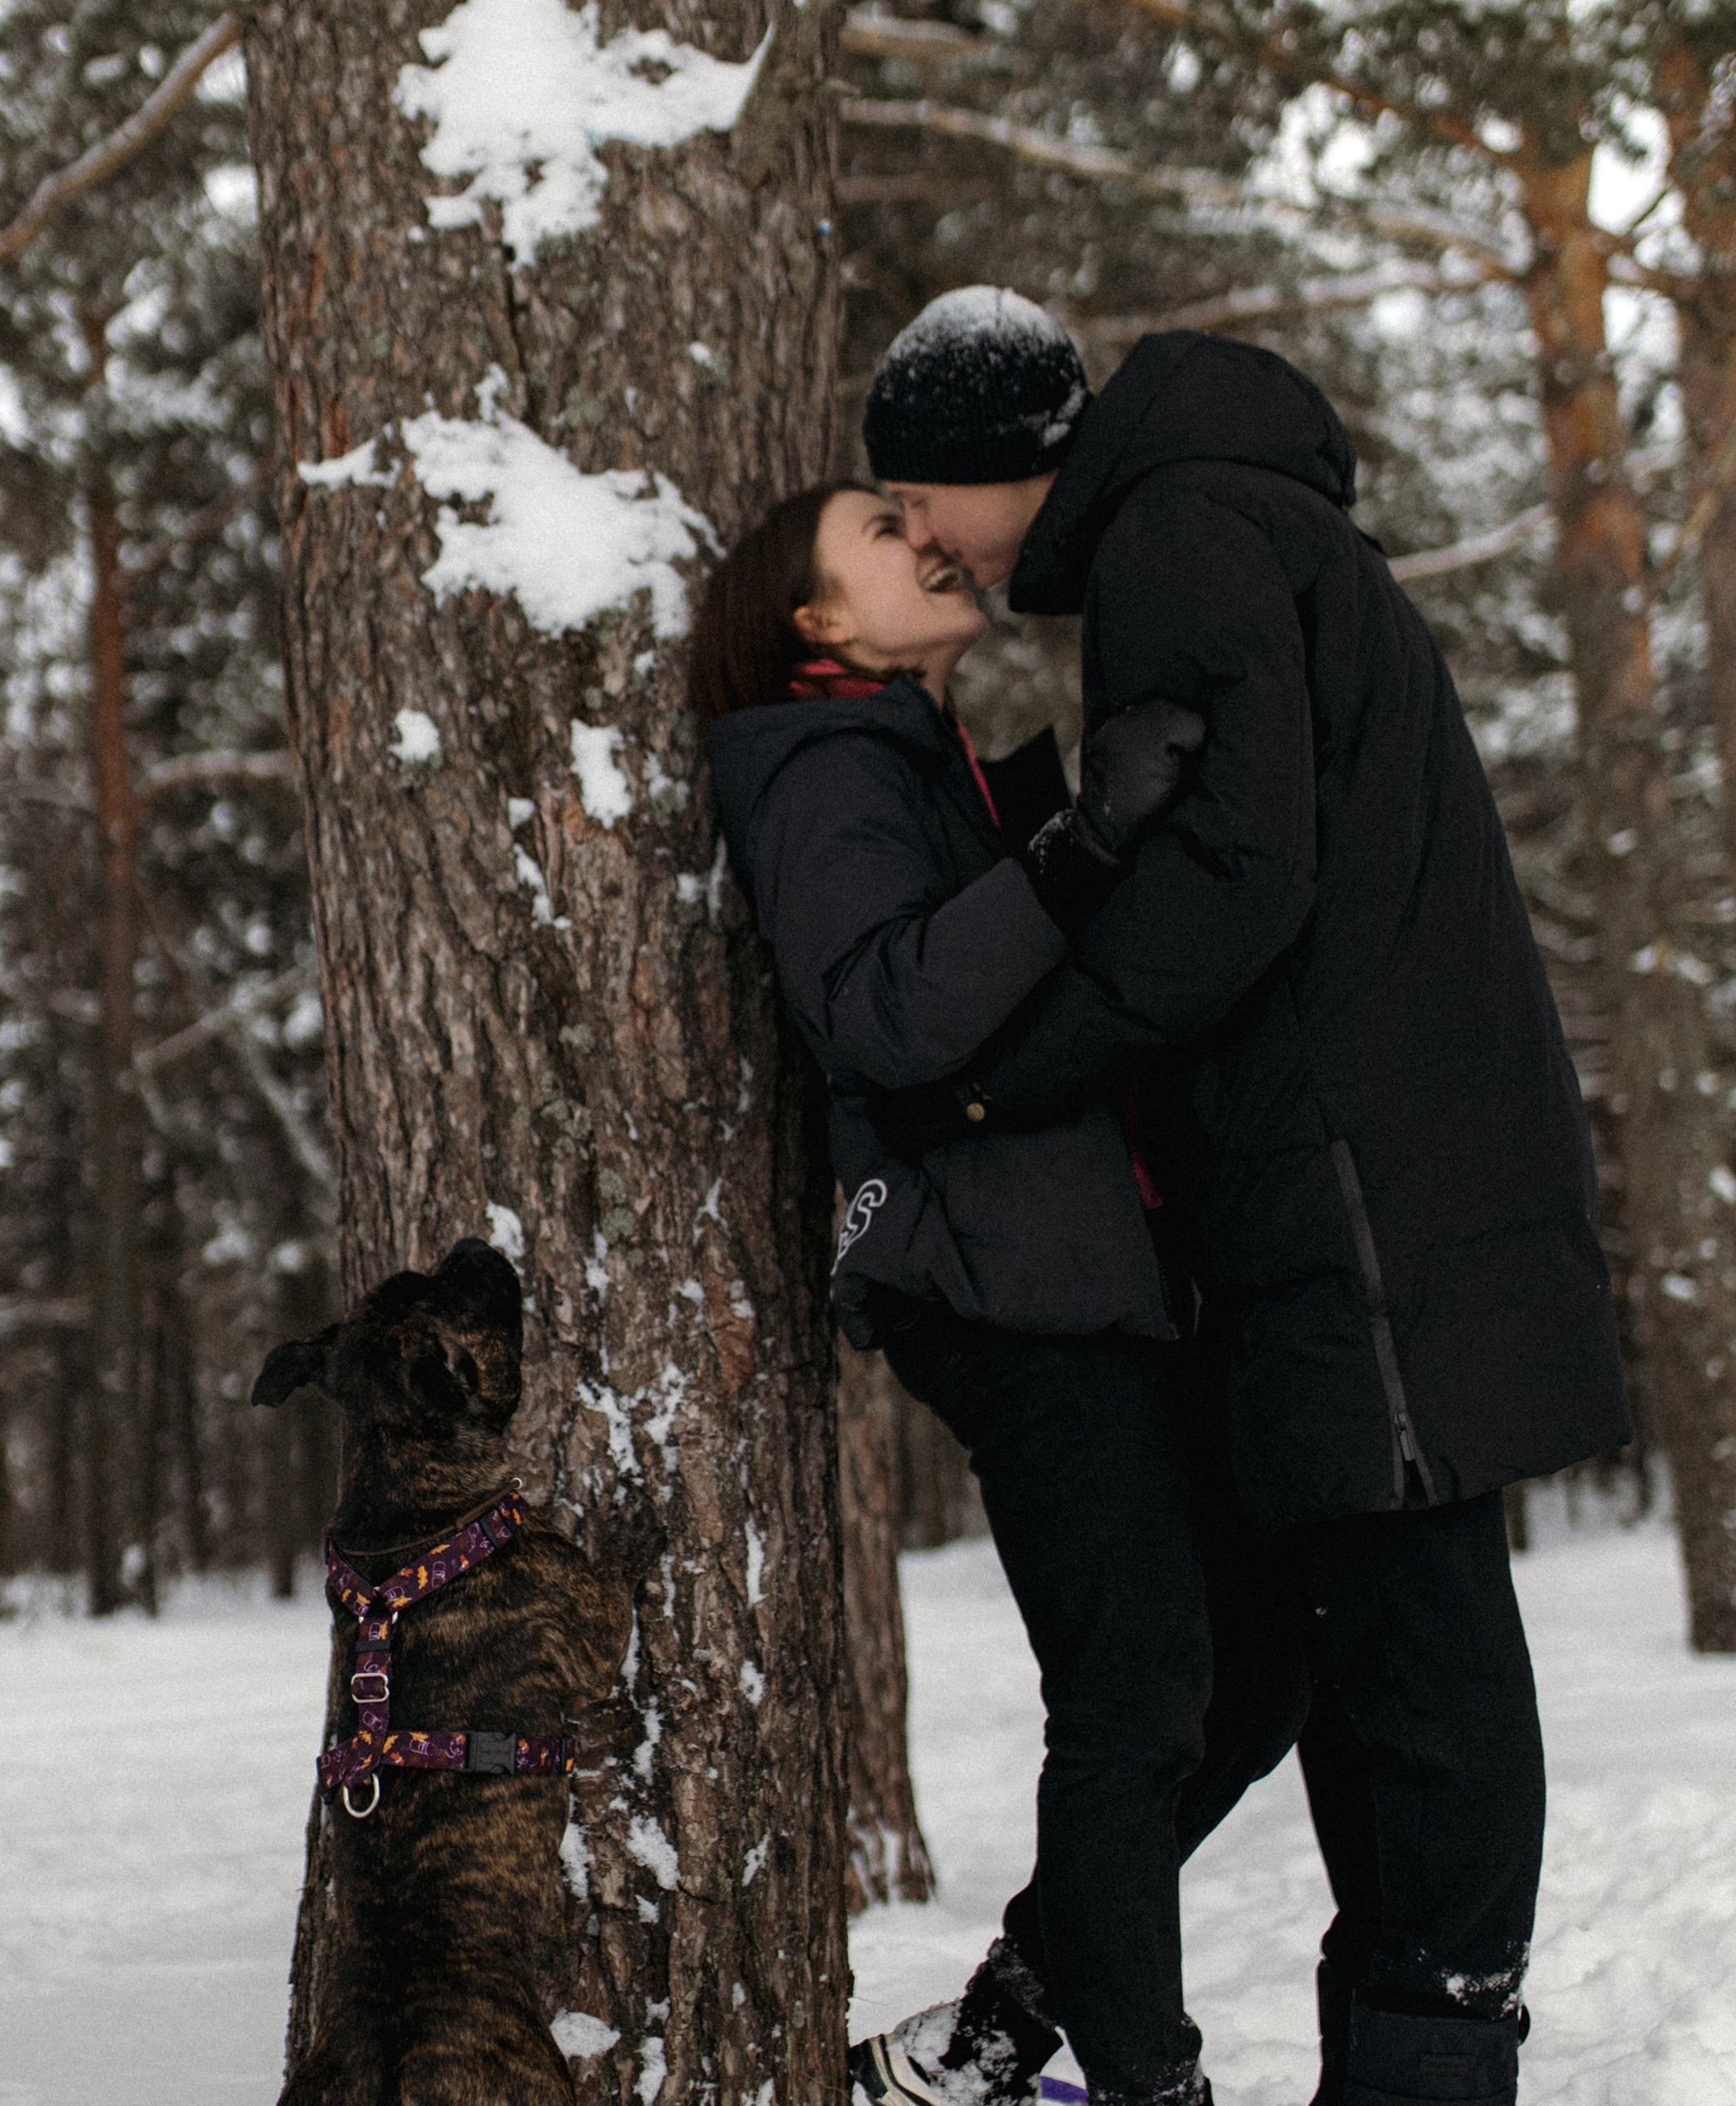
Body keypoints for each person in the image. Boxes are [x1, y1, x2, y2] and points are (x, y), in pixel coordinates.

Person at [852, 287, 1634, 2106]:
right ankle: (1340, 2040)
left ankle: (1432, 2051)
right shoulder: (1222, 516)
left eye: (921, 498)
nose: (919, 540)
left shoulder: (1180, 536)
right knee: (1344, 1648)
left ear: (1002, 466)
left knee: (1419, 1653)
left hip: (1359, 1177)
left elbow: (1226, 874)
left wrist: (990, 1073)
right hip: (1350, 1161)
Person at [698, 481, 1308, 2106]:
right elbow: (883, 1013)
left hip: (1085, 1278)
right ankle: (1137, 2075)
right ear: (816, 623)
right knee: (1133, 1695)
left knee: (1249, 1665)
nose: (925, 538)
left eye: (917, 515)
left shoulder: (919, 757)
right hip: (1000, 1282)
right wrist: (1077, 841)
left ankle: (993, 2032)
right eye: (878, 533)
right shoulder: (820, 760)